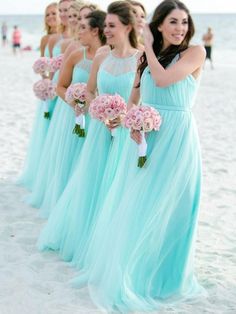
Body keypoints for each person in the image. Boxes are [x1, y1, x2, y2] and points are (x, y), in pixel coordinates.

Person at [70, 0, 206, 312]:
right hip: (147, 135)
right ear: (160, 25)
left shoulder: (194, 52)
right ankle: (135, 270)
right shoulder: (147, 57)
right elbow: (137, 95)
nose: (179, 29)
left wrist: (147, 48)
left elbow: (162, 80)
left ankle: (166, 278)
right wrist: (126, 121)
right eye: (172, 22)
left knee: (170, 206)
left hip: (177, 136)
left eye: (184, 23)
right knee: (139, 203)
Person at [37, 1, 140, 268]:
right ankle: (86, 240)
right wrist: (101, 109)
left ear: (127, 27)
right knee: (93, 183)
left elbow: (142, 95)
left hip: (125, 132)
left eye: (111, 26)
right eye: (105, 25)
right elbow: (92, 90)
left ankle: (112, 246)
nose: (106, 30)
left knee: (118, 187)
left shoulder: (141, 57)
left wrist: (124, 115)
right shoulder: (102, 55)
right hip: (99, 131)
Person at [17, 2, 60, 190]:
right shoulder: (45, 39)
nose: (51, 17)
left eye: (54, 13)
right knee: (47, 130)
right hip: (50, 90)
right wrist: (45, 82)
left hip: (63, 87)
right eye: (48, 14)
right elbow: (43, 64)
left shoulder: (71, 37)